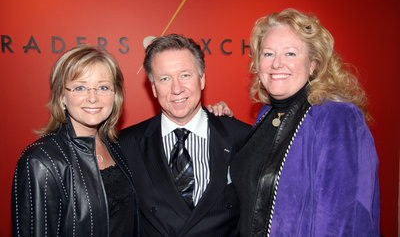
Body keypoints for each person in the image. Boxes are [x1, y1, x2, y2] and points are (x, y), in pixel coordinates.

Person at [231, 8, 380, 236]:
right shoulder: (266, 116)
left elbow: (344, 221)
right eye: (268, 54)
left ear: (313, 64)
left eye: (290, 54)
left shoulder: (337, 117)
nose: (276, 64)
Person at [118, 34, 251, 236]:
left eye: (185, 75)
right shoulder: (127, 144)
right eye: (165, 79)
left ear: (202, 79)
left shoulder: (241, 136)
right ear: (153, 88)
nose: (177, 89)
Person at [11, 45, 139, 237]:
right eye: (80, 87)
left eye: (103, 87)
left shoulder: (116, 147)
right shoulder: (41, 162)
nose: (93, 98)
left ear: (115, 94)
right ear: (62, 96)